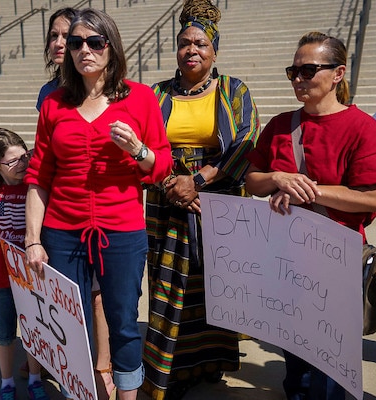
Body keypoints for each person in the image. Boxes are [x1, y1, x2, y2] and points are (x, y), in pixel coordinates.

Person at [24, 8, 173, 400]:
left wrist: (138, 149)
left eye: (94, 42)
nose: (83, 50)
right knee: (71, 324)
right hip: (61, 232)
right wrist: (32, 238)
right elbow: (39, 175)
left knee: (123, 322)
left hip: (121, 232)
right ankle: (82, 392)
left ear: (111, 46)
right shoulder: (55, 104)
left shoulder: (139, 98)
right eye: (75, 43)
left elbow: (161, 167)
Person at [244, 31, 376, 399]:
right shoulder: (280, 125)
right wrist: (278, 178)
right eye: (292, 71)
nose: (298, 79)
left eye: (308, 70)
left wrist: (309, 190)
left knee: (330, 369)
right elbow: (252, 181)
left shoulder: (362, 127)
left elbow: (373, 199)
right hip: (285, 258)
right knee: (294, 359)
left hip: (335, 262)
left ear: (338, 73)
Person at [141, 1, 259, 398]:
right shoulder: (156, 94)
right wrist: (172, 183)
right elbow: (143, 147)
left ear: (214, 50)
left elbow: (246, 140)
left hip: (219, 197)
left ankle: (210, 364)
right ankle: (171, 371)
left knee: (215, 284)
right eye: (184, 43)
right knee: (170, 286)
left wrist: (198, 180)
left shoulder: (234, 90)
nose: (192, 49)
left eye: (201, 43)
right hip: (167, 197)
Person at [34, 7, 115, 399]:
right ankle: (68, 366)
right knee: (67, 299)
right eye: (56, 35)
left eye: (73, 36)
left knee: (98, 294)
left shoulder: (105, 91)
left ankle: (102, 365)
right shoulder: (50, 95)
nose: (63, 42)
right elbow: (44, 161)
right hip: (58, 217)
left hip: (99, 218)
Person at [0, 128, 50, 400]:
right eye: (12, 161)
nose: (21, 165)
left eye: (24, 157)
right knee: (4, 332)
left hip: (31, 274)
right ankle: (6, 381)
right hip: (0, 275)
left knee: (33, 330)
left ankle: (34, 378)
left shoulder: (34, 186)